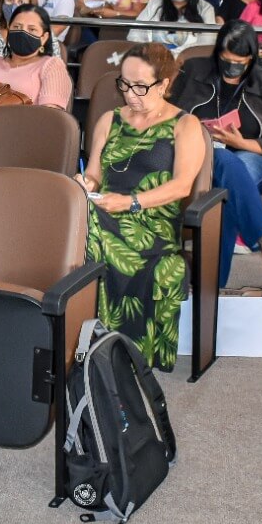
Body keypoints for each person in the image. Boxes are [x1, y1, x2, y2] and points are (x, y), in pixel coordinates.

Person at [79, 43, 204, 371]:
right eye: (124, 83)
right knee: (78, 215)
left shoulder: (185, 125)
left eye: (140, 86)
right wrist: (85, 185)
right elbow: (94, 173)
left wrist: (131, 203)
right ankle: (86, 341)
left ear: (163, 84)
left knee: (84, 227)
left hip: (153, 222)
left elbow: (182, 186)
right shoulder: (109, 119)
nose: (129, 93)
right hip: (106, 208)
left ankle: (100, 345)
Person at [172, 21, 262, 287]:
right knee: (221, 183)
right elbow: (170, 115)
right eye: (226, 60)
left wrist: (239, 142)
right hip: (196, 156)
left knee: (224, 169)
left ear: (252, 58)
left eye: (239, 62)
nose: (232, 67)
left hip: (253, 158)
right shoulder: (194, 70)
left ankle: (210, 289)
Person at [0, 4, 71, 164]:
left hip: (17, 138)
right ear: (8, 30)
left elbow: (50, 119)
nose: (23, 33)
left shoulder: (51, 66)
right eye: (17, 27)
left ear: (44, 37)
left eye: (32, 29)